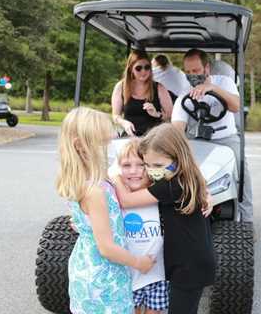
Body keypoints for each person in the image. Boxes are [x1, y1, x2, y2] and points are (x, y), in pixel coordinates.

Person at [56, 107, 155, 314]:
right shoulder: (94, 191)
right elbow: (106, 248)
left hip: (93, 271)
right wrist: (139, 263)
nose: (109, 148)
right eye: (103, 143)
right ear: (80, 146)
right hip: (102, 280)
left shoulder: (90, 180)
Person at [113, 123, 216, 314]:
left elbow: (126, 201)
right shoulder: (183, 177)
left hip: (189, 267)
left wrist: (115, 177)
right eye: (148, 165)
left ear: (178, 157)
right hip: (190, 263)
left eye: (158, 165)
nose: (152, 170)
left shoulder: (173, 185)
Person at [171, 48, 254, 223]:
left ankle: (246, 220)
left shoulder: (223, 82)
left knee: (242, 173)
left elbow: (235, 106)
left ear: (206, 68)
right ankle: (187, 211)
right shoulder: (185, 94)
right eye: (188, 72)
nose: (192, 75)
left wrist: (212, 89)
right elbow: (177, 129)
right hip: (198, 140)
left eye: (196, 71)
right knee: (181, 168)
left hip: (226, 138)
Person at [117, 139, 169, 314]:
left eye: (141, 165)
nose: (134, 171)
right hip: (128, 277)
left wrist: (206, 195)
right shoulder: (115, 198)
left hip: (157, 277)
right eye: (126, 165)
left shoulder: (159, 194)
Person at [112, 50, 173, 137]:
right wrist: (124, 123)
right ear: (131, 69)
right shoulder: (121, 87)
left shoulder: (159, 88)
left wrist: (157, 114)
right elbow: (115, 116)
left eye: (147, 67)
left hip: (154, 138)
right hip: (130, 136)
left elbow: (170, 115)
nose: (143, 71)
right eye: (138, 68)